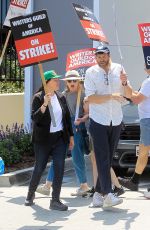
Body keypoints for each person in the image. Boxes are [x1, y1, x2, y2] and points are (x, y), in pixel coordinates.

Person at [84, 44, 132, 208]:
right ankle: (108, 194)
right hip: (98, 120)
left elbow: (129, 94)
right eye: (98, 56)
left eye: (103, 55)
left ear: (108, 55)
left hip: (116, 119)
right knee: (102, 158)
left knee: (108, 158)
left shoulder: (119, 69)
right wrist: (112, 95)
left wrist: (125, 84)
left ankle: (97, 195)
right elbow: (90, 98)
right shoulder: (91, 72)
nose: (101, 58)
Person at [24, 70, 74, 211]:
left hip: (59, 138)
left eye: (58, 79)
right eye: (55, 80)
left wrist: (70, 136)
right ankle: (30, 194)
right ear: (47, 83)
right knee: (39, 168)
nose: (58, 82)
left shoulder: (61, 97)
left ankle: (55, 200)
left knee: (59, 168)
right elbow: (35, 118)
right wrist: (45, 104)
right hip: (43, 140)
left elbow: (66, 119)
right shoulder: (38, 97)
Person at [36, 70, 90, 197]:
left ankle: (84, 185)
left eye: (74, 80)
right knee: (58, 155)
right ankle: (48, 185)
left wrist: (82, 119)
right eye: (69, 80)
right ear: (66, 82)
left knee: (77, 156)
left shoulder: (83, 95)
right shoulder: (62, 95)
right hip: (64, 126)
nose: (72, 83)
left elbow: (89, 113)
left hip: (77, 127)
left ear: (79, 82)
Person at [118, 68, 150, 196]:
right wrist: (127, 85)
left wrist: (126, 85)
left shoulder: (148, 82)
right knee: (143, 152)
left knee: (143, 152)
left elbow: (136, 100)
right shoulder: (147, 83)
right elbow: (137, 95)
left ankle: (134, 182)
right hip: (146, 121)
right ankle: (134, 181)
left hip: (148, 120)